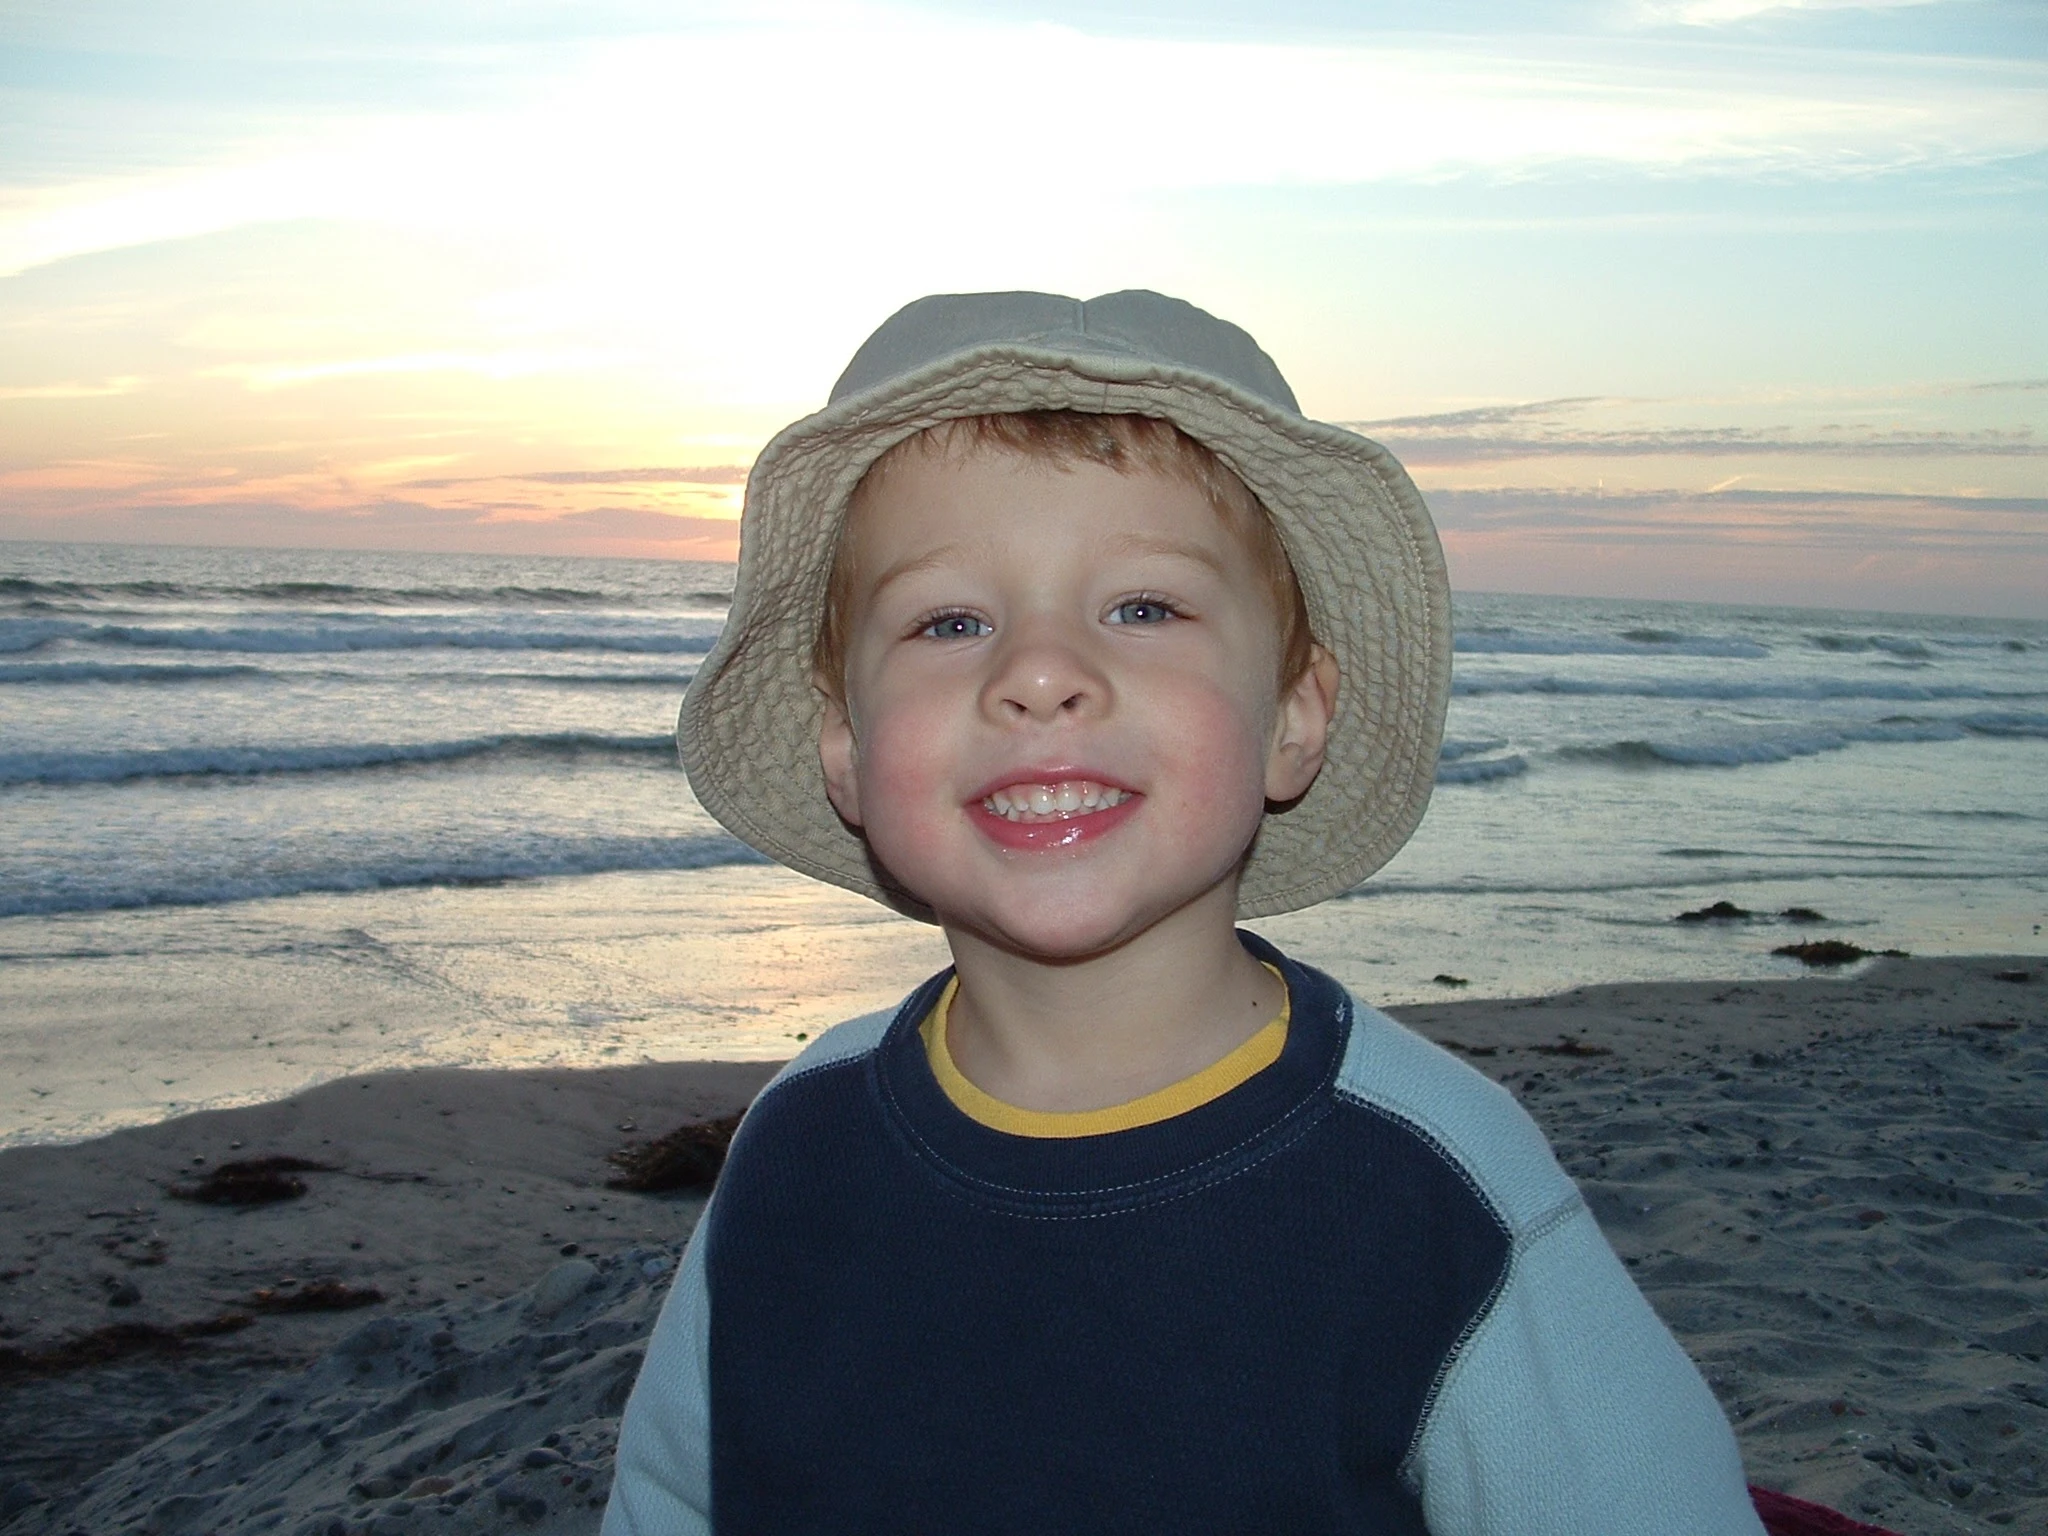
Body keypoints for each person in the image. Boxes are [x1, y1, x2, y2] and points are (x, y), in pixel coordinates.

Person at [602, 290, 1766, 1535]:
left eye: (1142, 608)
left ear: (1293, 716)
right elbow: (675, 1496)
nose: (1038, 674)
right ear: (844, 744)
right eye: (950, 622)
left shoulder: (1432, 1185)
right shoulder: (794, 1148)